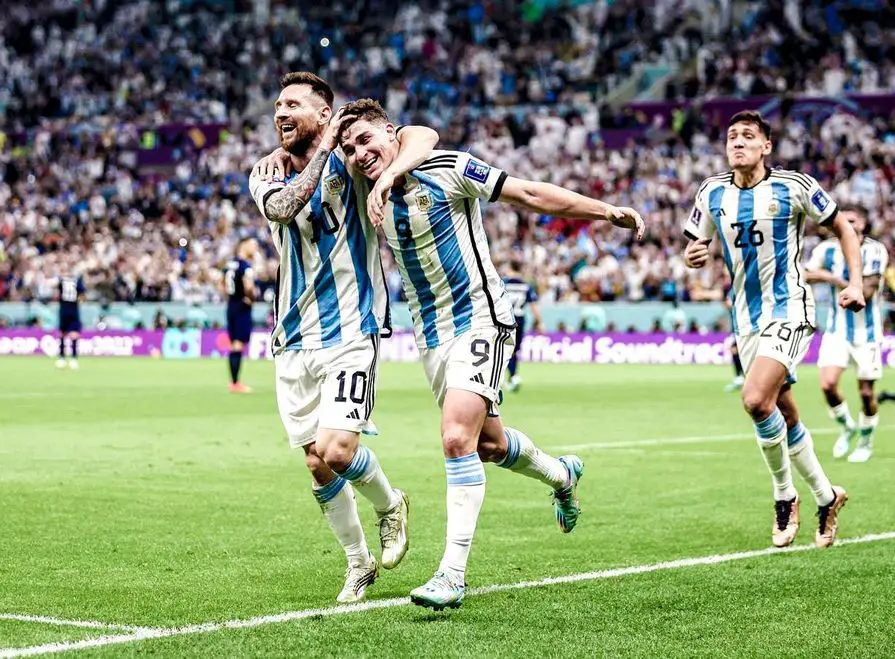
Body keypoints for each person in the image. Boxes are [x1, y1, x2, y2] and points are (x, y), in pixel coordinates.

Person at [335, 98, 644, 610]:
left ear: (390, 131)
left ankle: (451, 575)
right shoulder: (363, 192)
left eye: (366, 139)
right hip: (430, 336)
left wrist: (603, 210)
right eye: (349, 149)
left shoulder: (447, 168)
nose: (359, 154)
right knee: (489, 446)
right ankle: (562, 475)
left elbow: (525, 191)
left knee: (456, 437)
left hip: (481, 316)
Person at [248, 71, 439, 604]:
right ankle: (358, 563)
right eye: (278, 106)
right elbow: (284, 208)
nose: (281, 113)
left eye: (293, 104)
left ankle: (390, 504)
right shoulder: (264, 173)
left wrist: (385, 170)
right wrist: (318, 152)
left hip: (352, 328)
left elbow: (422, 137)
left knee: (337, 448)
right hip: (291, 337)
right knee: (316, 462)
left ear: (323, 115)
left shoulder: (352, 160)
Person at [682, 110, 865, 550]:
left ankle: (785, 496)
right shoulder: (711, 192)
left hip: (790, 308)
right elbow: (695, 243)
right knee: (782, 411)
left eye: (748, 136)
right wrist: (693, 255)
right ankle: (827, 496)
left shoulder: (793, 186)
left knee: (754, 399)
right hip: (745, 318)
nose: (737, 142)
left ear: (766, 146)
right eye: (732, 136)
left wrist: (856, 282)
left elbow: (842, 227)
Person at [805, 205, 889, 462]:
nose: (848, 224)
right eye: (844, 220)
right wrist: (820, 276)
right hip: (836, 330)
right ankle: (847, 427)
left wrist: (831, 278)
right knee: (827, 385)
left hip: (868, 332)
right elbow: (804, 274)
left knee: (866, 393)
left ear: (863, 224)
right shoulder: (826, 249)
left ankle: (865, 440)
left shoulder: (874, 250)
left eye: (853, 220)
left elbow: (867, 293)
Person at [220, 237, 260, 393]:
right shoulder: (245, 266)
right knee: (238, 344)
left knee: (233, 344)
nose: (255, 248)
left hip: (231, 305)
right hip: (242, 306)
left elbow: (221, 284)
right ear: (243, 245)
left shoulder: (229, 264)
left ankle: (234, 382)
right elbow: (248, 286)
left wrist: (230, 298)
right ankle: (236, 383)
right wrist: (251, 298)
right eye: (252, 245)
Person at [501, 260, 542, 392]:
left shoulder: (503, 283)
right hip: (520, 320)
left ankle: (511, 376)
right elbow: (534, 306)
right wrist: (539, 321)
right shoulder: (526, 285)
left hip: (505, 319)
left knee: (504, 349)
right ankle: (513, 377)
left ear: (510, 267)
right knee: (513, 350)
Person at [55, 268, 85, 370]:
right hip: (72, 309)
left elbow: (56, 291)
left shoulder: (61, 281)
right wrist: (80, 301)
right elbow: (82, 296)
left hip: (65, 309)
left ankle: (64, 358)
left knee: (65, 334)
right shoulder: (77, 281)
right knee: (70, 334)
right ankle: (71, 359)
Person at [722, 287, 744, 392]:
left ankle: (740, 377)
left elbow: (730, 304)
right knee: (735, 349)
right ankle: (740, 377)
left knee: (735, 349)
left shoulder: (740, 286)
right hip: (736, 327)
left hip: (744, 326)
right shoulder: (732, 288)